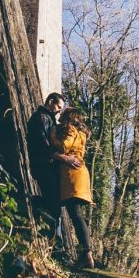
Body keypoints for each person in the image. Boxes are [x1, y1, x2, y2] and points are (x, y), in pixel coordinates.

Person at [25, 93, 80, 248]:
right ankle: (55, 245)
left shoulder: (47, 118)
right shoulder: (41, 118)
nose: (59, 112)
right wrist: (65, 158)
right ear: (50, 102)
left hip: (47, 166)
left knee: (54, 203)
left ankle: (55, 244)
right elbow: (43, 147)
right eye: (58, 107)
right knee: (54, 205)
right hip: (44, 166)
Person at [53, 107, 95, 269]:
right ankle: (86, 254)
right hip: (80, 172)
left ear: (69, 117)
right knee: (76, 215)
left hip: (71, 174)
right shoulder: (82, 133)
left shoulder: (70, 129)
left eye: (63, 114)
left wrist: (52, 136)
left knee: (76, 215)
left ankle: (87, 255)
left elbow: (63, 147)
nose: (60, 116)